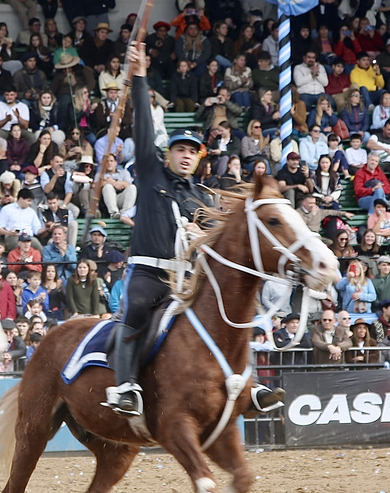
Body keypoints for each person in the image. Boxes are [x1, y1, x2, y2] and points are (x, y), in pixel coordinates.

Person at [104, 41, 281, 418]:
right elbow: (144, 126)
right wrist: (139, 77)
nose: (185, 154)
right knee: (134, 309)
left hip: (187, 279)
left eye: (192, 151)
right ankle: (124, 386)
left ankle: (247, 386)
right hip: (149, 273)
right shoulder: (152, 176)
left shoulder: (201, 195)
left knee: (228, 313)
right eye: (180, 149)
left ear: (200, 157)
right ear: (169, 154)